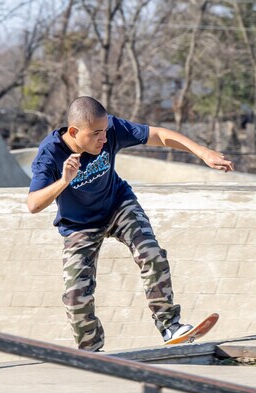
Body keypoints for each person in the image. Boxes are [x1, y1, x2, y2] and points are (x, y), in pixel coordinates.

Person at [27, 96, 234, 351]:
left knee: (151, 253)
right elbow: (33, 204)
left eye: (105, 132)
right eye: (96, 134)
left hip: (118, 205)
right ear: (74, 131)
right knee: (75, 295)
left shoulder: (111, 129)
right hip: (80, 225)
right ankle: (90, 349)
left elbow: (157, 134)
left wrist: (202, 152)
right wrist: (63, 181)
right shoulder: (50, 153)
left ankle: (170, 325)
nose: (103, 139)